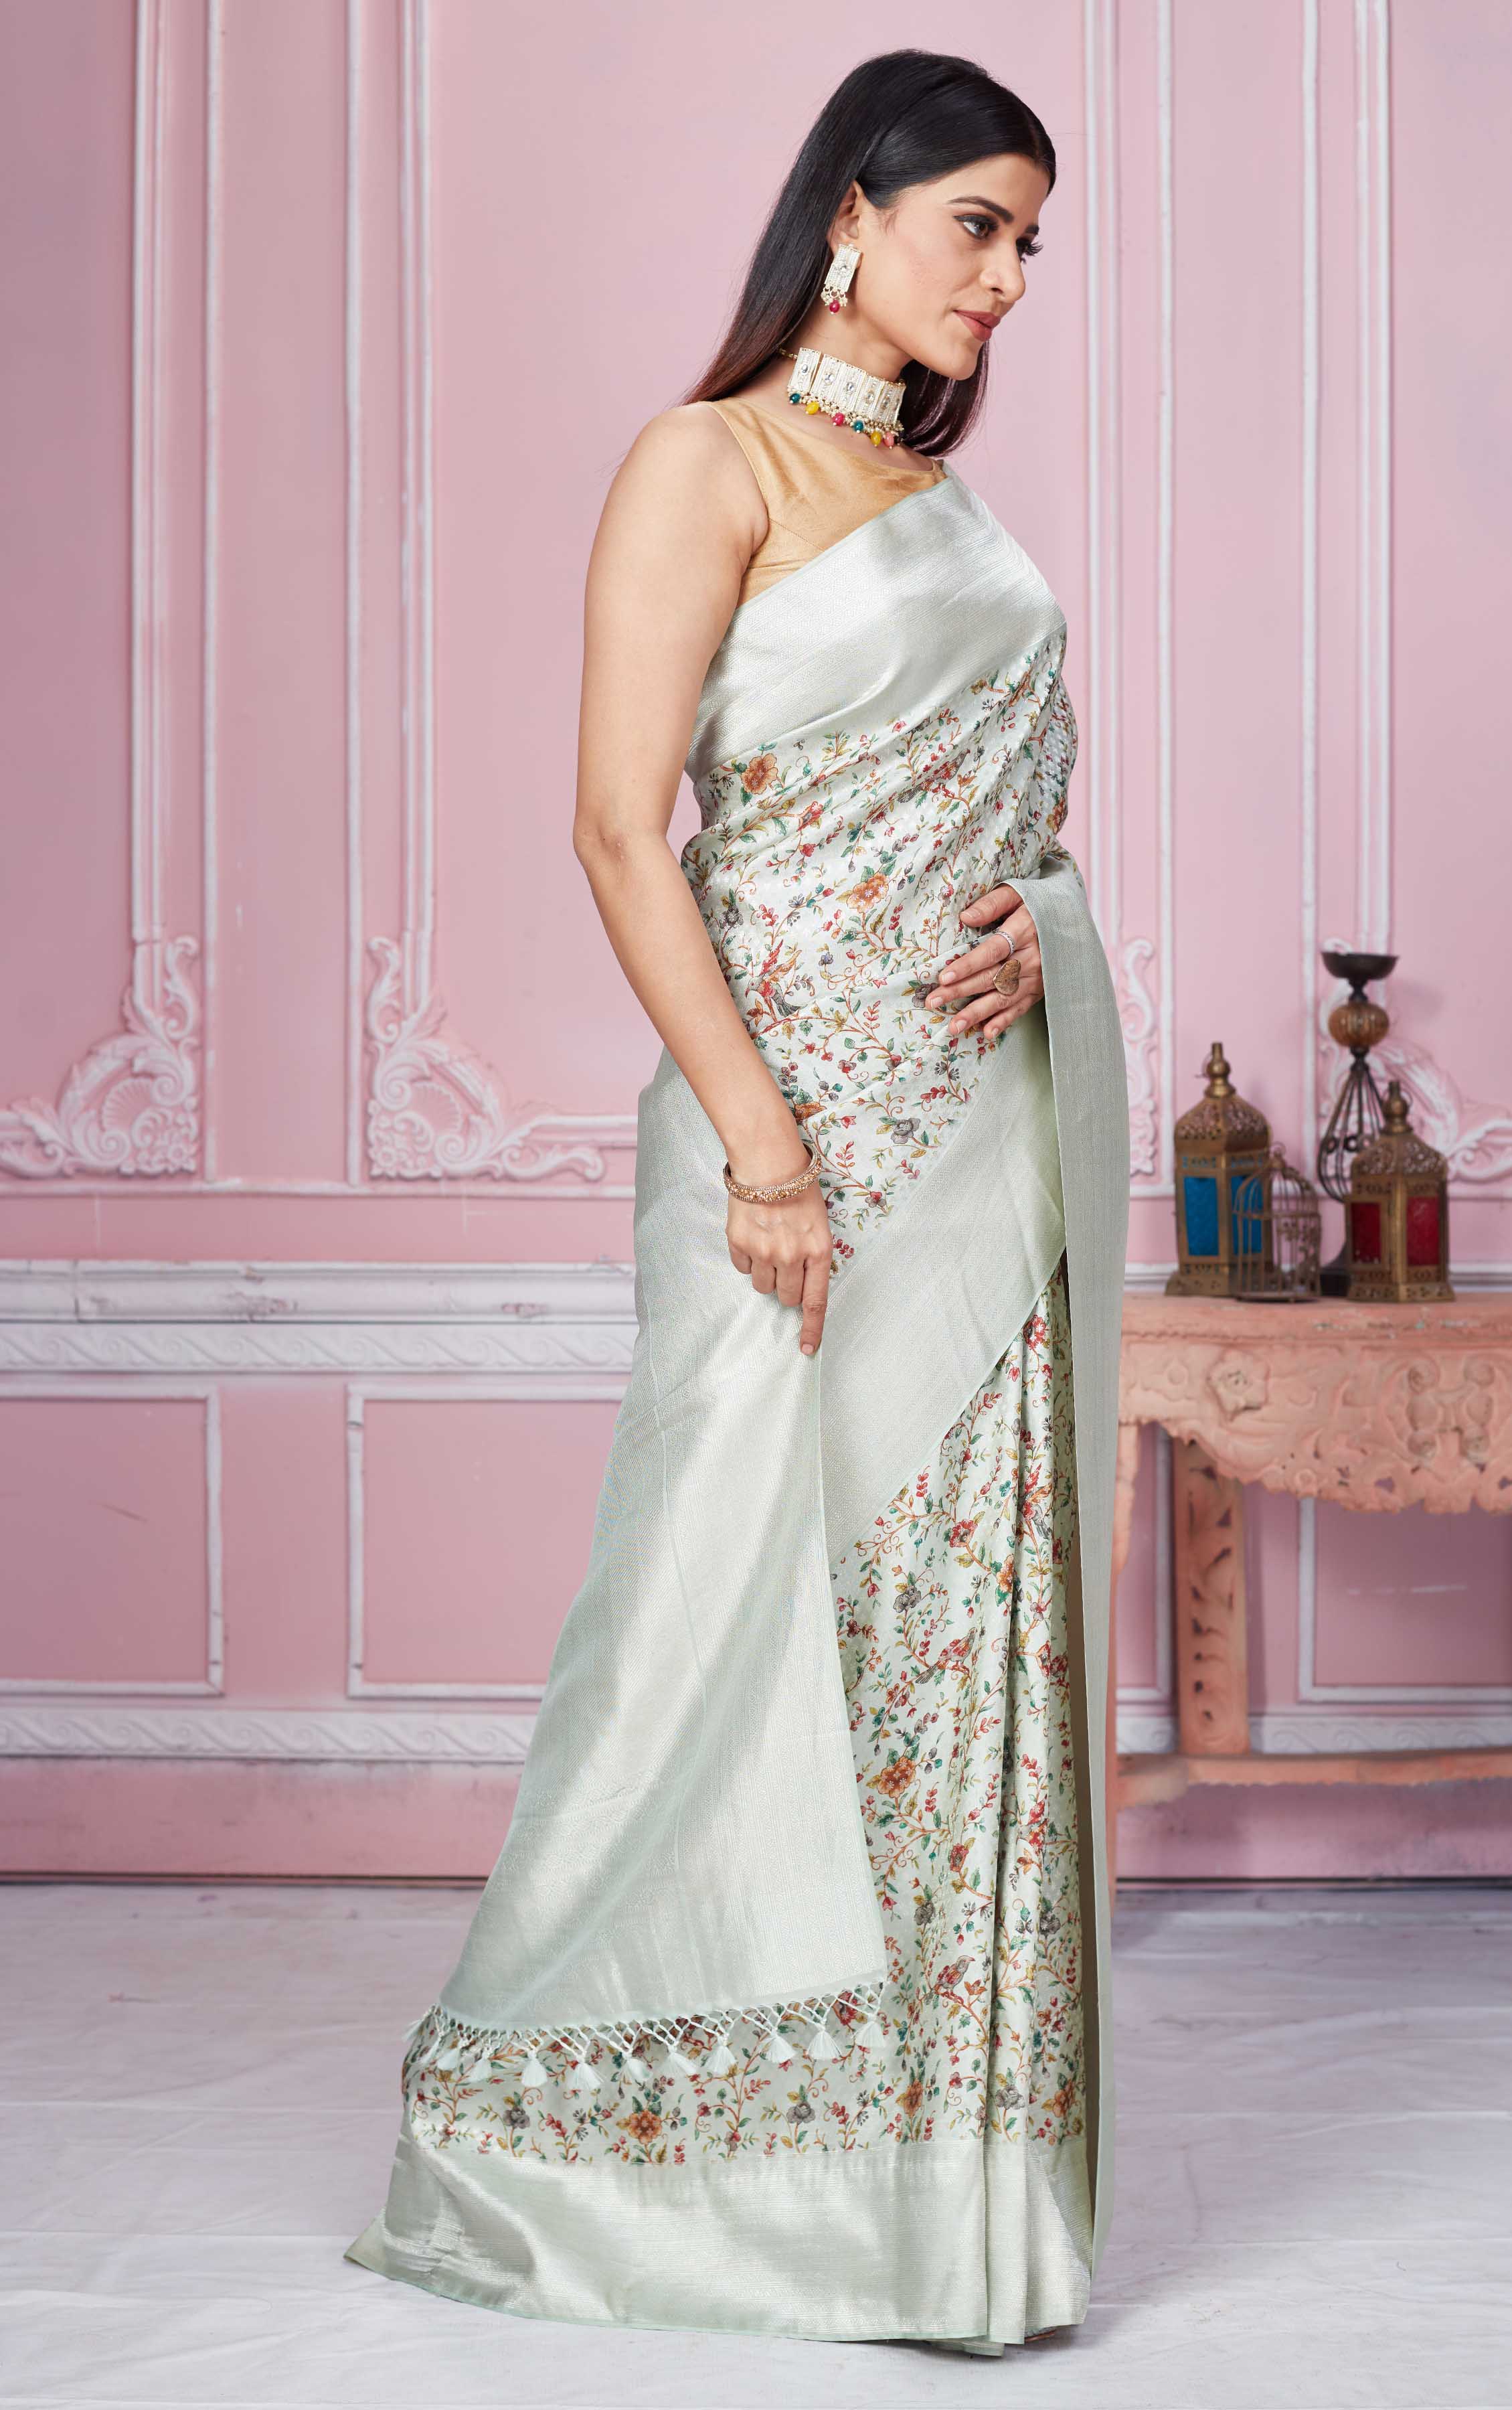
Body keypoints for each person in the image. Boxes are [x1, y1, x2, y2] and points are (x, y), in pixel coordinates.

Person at [345, 46, 1129, 2356]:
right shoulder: (704, 464)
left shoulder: (945, 506)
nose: (1008, 277)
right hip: (784, 1152)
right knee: (712, 1622)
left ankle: (926, 2206)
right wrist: (766, 1151)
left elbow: (1007, 815)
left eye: (1031, 243)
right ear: (849, 215)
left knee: (950, 1646)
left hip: (976, 1151)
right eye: (977, 224)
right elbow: (623, 829)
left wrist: (1046, 926)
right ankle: (579, 2148)